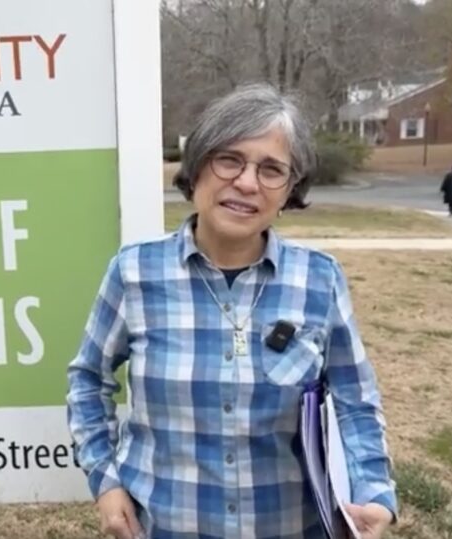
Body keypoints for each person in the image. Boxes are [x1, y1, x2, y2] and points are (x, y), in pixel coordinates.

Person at [65, 83, 397, 539]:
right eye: (230, 159)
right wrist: (105, 482)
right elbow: (88, 379)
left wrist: (375, 493)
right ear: (199, 166)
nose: (246, 182)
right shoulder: (135, 273)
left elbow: (356, 402)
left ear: (289, 191)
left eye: (271, 169)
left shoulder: (318, 280)